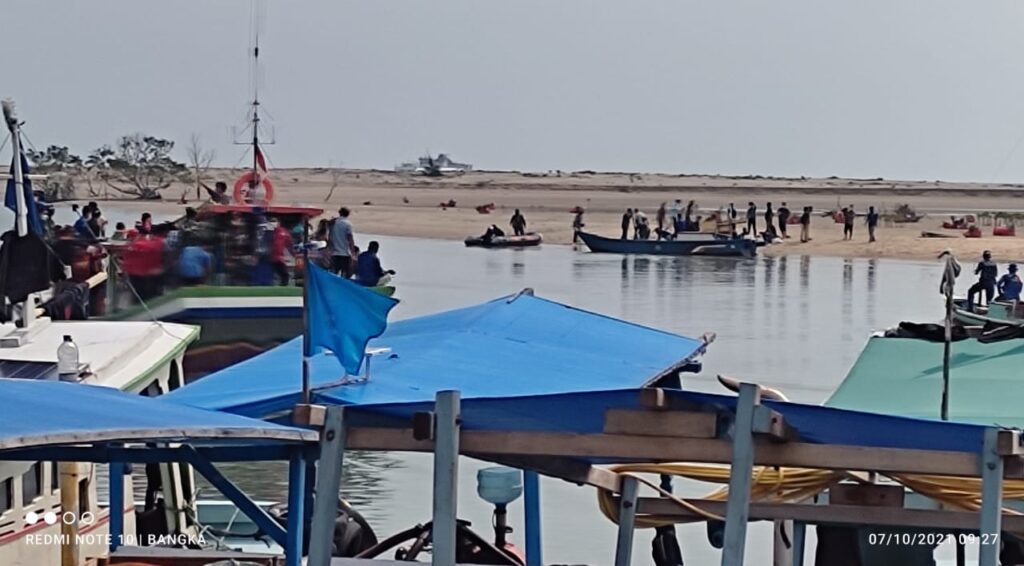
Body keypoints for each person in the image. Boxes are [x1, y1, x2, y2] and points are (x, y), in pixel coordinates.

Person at [329, 207, 357, 277]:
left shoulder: (333, 223)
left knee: (334, 274)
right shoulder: (347, 224)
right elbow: (350, 239)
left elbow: (330, 237)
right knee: (345, 274)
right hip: (345, 253)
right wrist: (353, 252)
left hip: (335, 253)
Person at [268, 218, 294, 286]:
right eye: (271, 221)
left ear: (278, 222)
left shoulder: (282, 232)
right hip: (271, 255)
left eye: (274, 221)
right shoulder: (270, 232)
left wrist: (291, 253)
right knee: (277, 271)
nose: (273, 223)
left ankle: (284, 284)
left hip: (279, 256)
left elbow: (289, 242)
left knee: (282, 272)